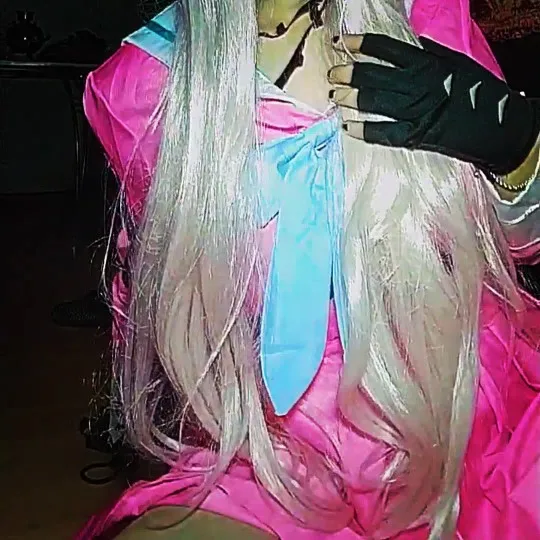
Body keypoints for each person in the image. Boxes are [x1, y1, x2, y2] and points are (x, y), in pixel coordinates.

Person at [78, 0, 540, 538]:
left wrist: (519, 150)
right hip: (275, 455)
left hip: (475, 409)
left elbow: (519, 247)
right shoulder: (141, 86)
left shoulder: (426, 15)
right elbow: (167, 321)